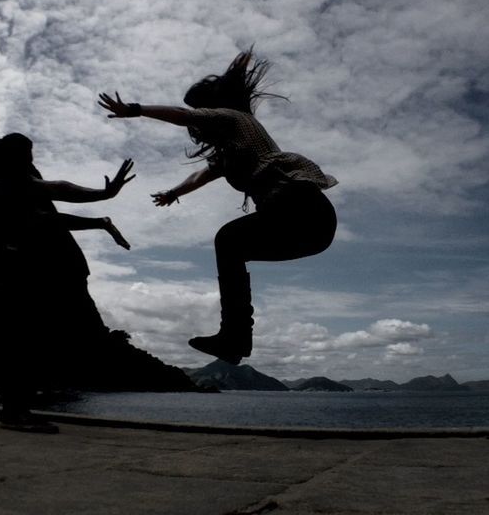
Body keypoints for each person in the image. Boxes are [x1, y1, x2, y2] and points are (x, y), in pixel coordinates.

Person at [98, 49, 337, 365]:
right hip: (311, 228)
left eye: (199, 111)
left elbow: (185, 116)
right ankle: (234, 338)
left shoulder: (235, 119)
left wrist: (135, 109)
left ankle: (234, 336)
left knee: (228, 241)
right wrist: (173, 192)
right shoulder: (230, 152)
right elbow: (202, 175)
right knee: (231, 245)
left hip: (300, 206)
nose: (196, 121)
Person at [0, 133, 134, 432]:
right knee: (20, 333)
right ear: (9, 162)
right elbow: (57, 191)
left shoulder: (0, 182)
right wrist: (103, 197)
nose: (30, 163)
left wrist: (100, 222)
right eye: (26, 158)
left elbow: (46, 213)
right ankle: (14, 413)